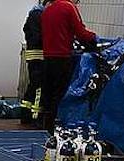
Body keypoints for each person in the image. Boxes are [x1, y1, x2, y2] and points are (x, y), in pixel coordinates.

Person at [41, 0, 95, 130]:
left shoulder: (47, 10)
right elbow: (80, 32)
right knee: (60, 94)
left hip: (48, 57)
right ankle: (57, 127)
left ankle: (46, 126)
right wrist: (93, 38)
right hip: (62, 57)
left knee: (49, 93)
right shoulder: (69, 7)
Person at [20, 1, 47, 125]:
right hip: (38, 54)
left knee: (33, 85)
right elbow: (38, 36)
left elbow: (27, 30)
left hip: (33, 54)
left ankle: (25, 115)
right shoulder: (39, 15)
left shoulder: (33, 14)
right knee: (38, 87)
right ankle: (35, 117)